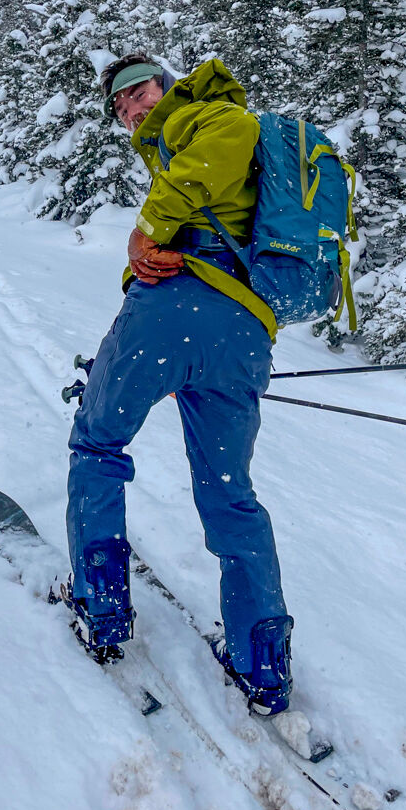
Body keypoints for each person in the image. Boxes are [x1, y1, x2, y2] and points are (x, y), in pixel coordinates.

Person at [61, 52, 293, 715]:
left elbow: (228, 139)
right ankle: (262, 662)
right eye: (120, 104)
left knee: (97, 444)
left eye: (140, 92)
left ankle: (100, 606)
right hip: (239, 337)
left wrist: (146, 230)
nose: (131, 106)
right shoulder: (177, 140)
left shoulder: (208, 114)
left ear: (169, 85)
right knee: (231, 494)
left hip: (174, 313)